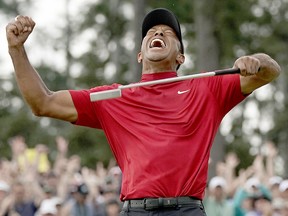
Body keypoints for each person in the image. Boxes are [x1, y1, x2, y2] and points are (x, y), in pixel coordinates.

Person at [6, 7, 281, 216]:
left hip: (187, 210)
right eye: (151, 33)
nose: (158, 33)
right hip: (135, 209)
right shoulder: (114, 97)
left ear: (181, 57)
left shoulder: (206, 89)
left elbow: (270, 71)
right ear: (140, 54)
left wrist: (255, 61)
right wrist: (17, 50)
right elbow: (42, 102)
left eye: (168, 33)